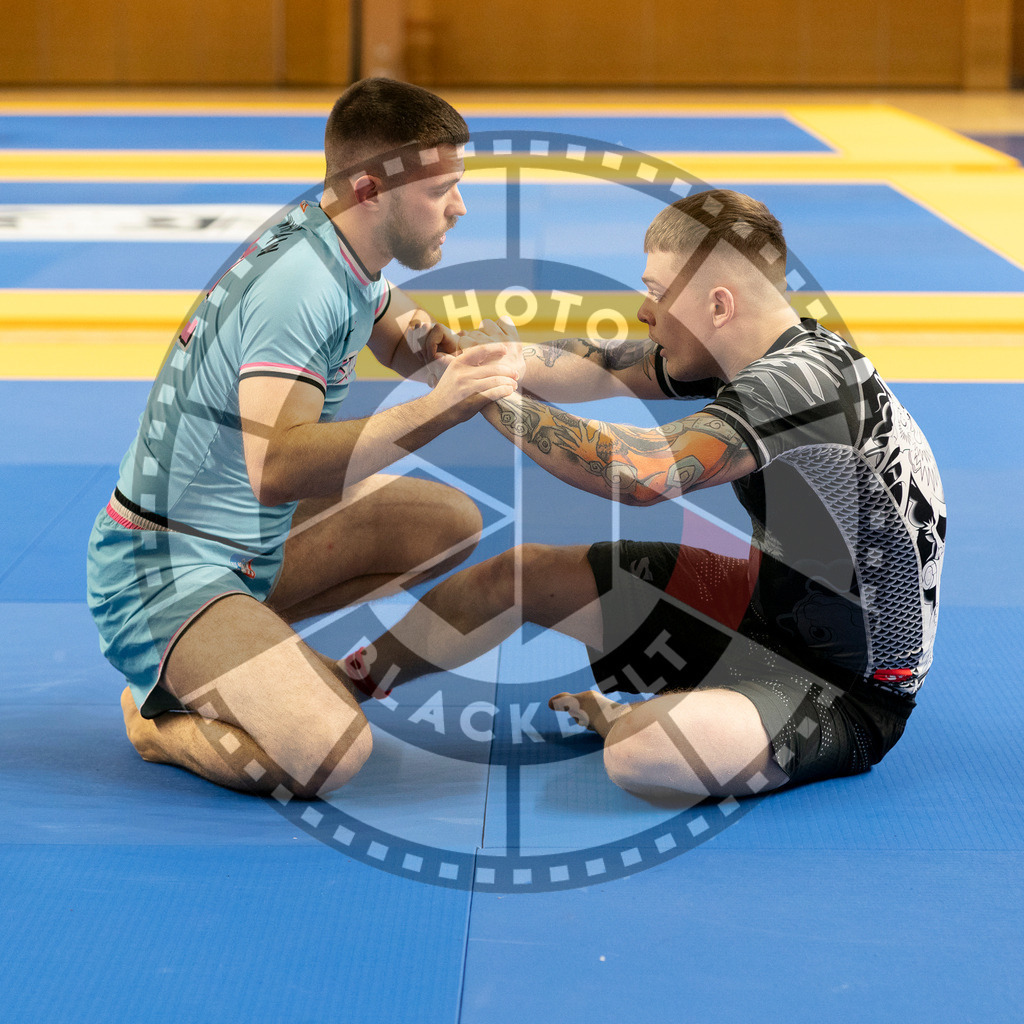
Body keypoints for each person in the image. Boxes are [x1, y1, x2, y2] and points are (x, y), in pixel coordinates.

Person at [348, 189, 947, 801]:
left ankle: (636, 713)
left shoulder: (801, 386)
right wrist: (488, 359)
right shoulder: (755, 348)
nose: (643, 311)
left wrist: (487, 395)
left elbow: (639, 474)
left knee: (641, 752)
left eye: (658, 293)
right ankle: (349, 682)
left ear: (719, 304)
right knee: (520, 575)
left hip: (841, 688)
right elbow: (605, 365)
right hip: (758, 610)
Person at [86, 78, 522, 799]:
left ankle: (238, 655)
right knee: (328, 753)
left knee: (448, 525)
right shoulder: (299, 289)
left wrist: (438, 348)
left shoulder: (341, 237)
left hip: (241, 541)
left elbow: (387, 316)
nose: (460, 206)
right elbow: (278, 468)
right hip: (163, 567)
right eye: (439, 189)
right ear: (371, 188)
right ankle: (157, 715)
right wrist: (440, 409)